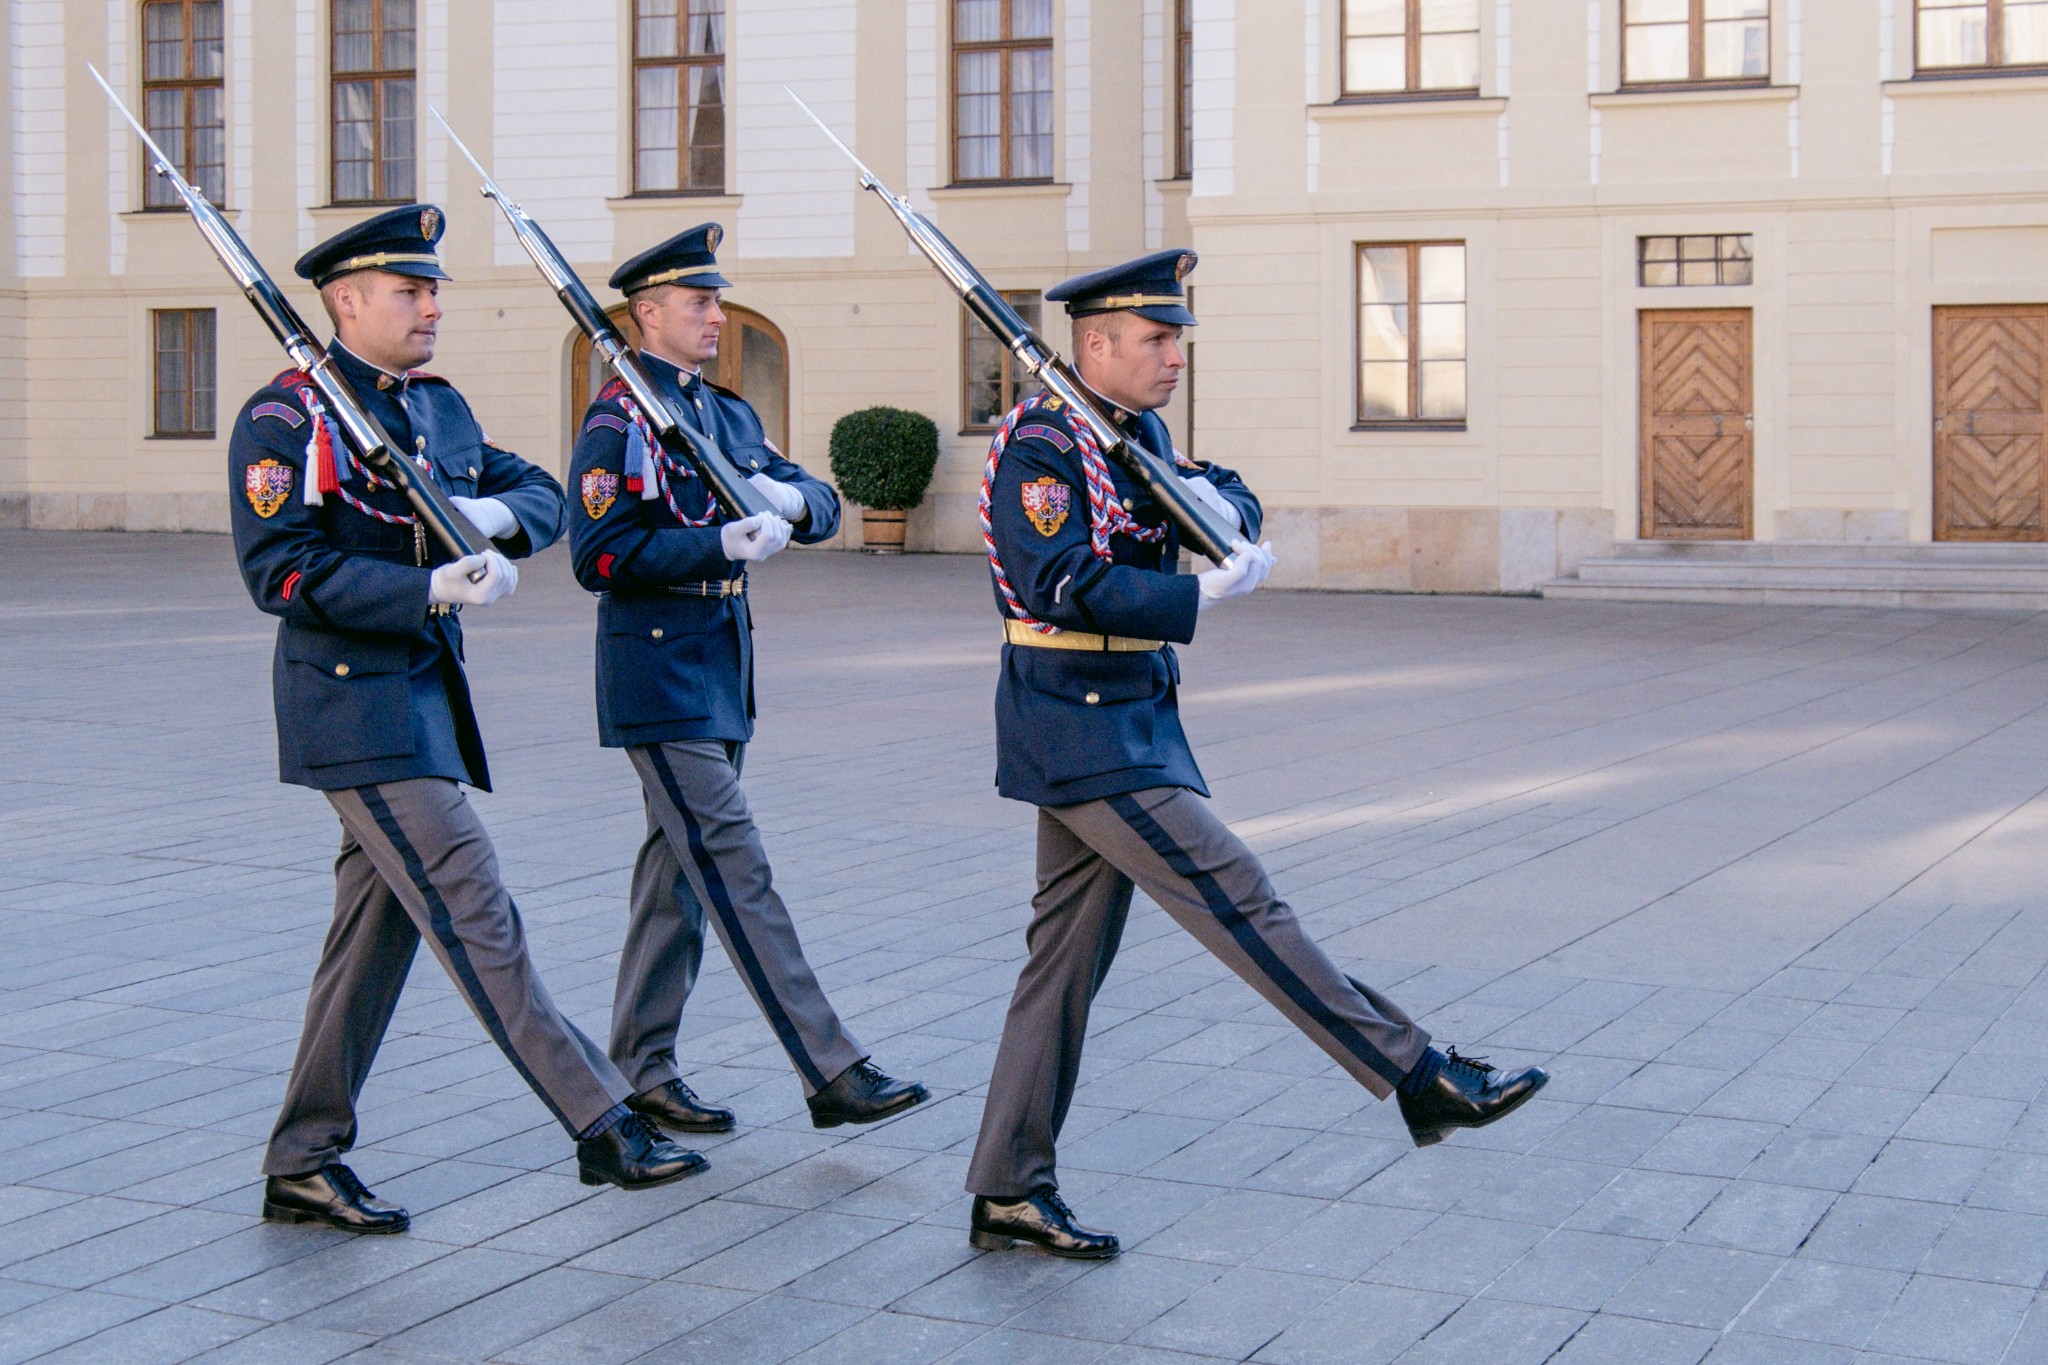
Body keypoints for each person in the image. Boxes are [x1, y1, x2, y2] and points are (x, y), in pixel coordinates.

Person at [964, 249, 1550, 1259]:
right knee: (1239, 895)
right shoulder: (1036, 448)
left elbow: (1209, 484)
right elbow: (1056, 578)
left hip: (1129, 711)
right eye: (1155, 338)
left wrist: (1226, 515)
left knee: (1059, 967)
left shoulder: (1128, 429)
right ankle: (1418, 1075)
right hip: (1079, 722)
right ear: (1095, 344)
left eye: (1176, 336)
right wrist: (1195, 594)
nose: (1173, 355)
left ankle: (1008, 1189)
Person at [230, 205, 701, 1235]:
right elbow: (280, 570)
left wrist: (491, 523)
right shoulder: (286, 421)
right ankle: (601, 1119)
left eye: (432, 289)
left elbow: (537, 490)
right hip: (351, 704)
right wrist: (427, 586)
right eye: (410, 291)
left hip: (423, 704)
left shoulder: (433, 410)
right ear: (346, 302)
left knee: (372, 935)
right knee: (472, 901)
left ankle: (302, 1160)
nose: (432, 306)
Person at [567, 224, 927, 1138]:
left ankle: (641, 1069)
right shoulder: (618, 418)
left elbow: (811, 494)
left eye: (719, 301)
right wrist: (715, 538)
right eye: (699, 303)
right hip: (654, 667)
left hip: (721, 659)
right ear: (647, 314)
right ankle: (830, 1063)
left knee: (675, 876)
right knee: (732, 858)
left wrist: (796, 503)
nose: (716, 316)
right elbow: (597, 552)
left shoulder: (723, 413)